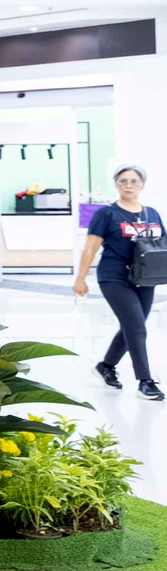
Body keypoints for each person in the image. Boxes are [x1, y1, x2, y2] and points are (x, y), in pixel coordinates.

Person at [75, 163, 164, 399]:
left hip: (145, 278)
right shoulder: (107, 214)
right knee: (136, 327)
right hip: (114, 276)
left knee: (132, 326)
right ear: (116, 184)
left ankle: (106, 366)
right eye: (123, 181)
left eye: (134, 181)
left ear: (142, 184)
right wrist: (81, 279)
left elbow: (161, 246)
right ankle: (145, 381)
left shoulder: (152, 213)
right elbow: (90, 247)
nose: (128, 185)